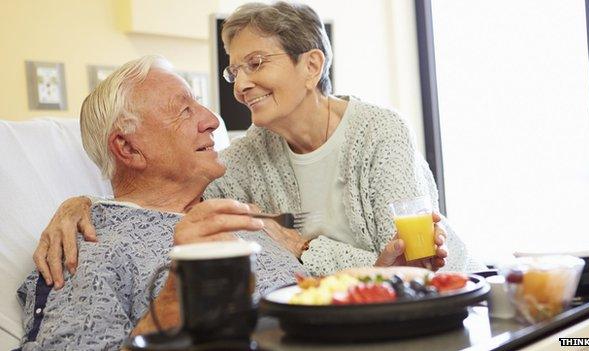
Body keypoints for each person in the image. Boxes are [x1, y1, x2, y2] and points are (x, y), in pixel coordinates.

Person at [34, 1, 482, 287]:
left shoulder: (380, 134)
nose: (240, 85)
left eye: (256, 63)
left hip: (450, 284)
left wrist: (304, 248)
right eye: (234, 71)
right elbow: (162, 191)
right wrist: (82, 204)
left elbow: (413, 270)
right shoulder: (246, 157)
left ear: (311, 66)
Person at [17, 56, 307, 350]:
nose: (212, 121)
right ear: (128, 148)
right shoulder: (90, 250)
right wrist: (170, 304)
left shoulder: (238, 212)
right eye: (184, 111)